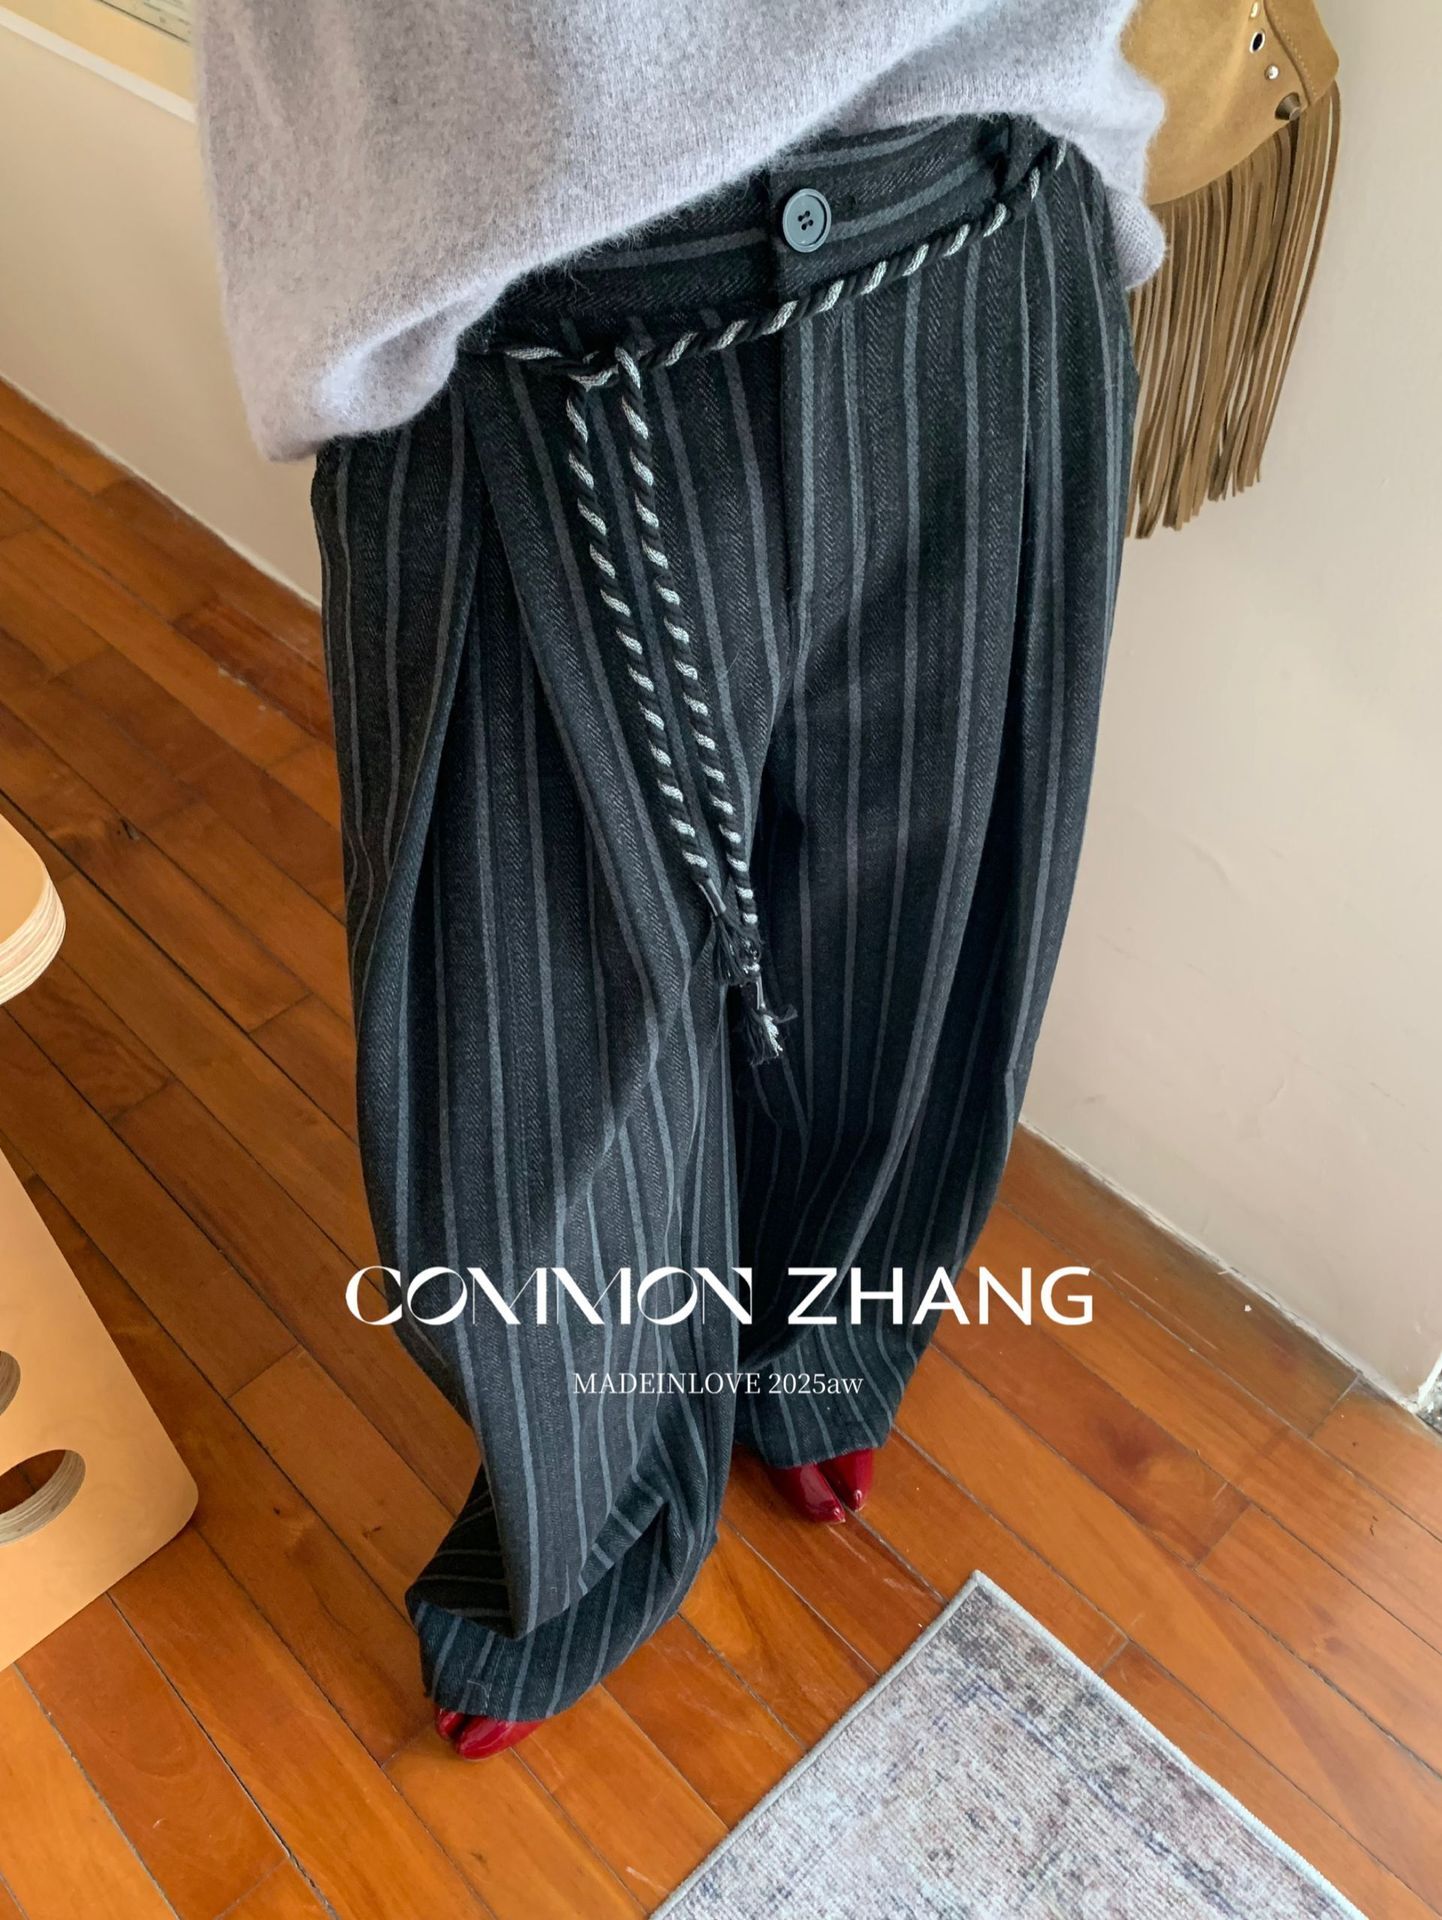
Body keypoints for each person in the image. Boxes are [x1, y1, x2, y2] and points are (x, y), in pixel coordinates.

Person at [197, 1, 1159, 1762]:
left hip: (977, 224)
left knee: (918, 948)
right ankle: (594, 1503)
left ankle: (825, 1343)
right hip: (517, 311)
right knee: (538, 1065)